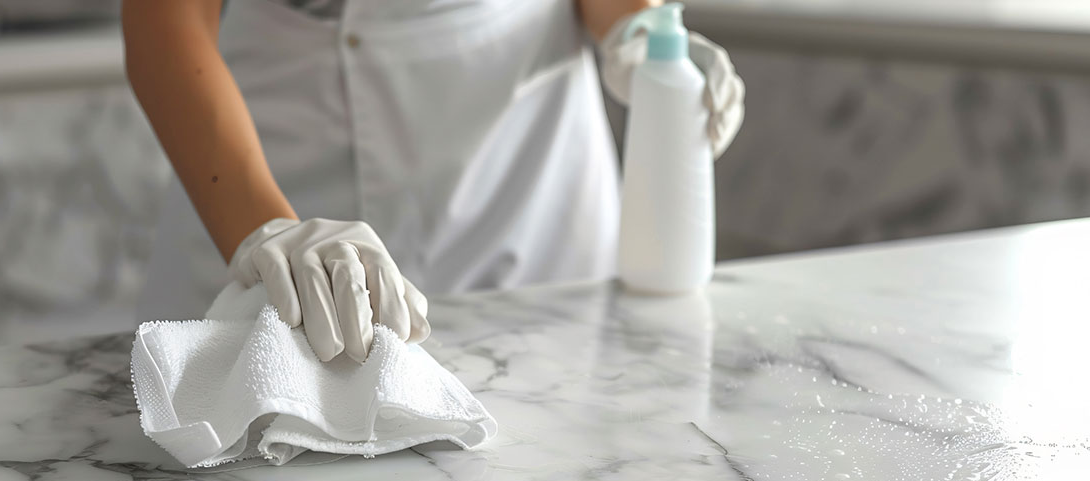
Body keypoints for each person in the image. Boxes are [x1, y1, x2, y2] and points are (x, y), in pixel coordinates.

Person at [122, 0, 743, 362]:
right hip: (272, 145)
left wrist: (636, 29)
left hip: (529, 176)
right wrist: (263, 227)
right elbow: (163, 21)